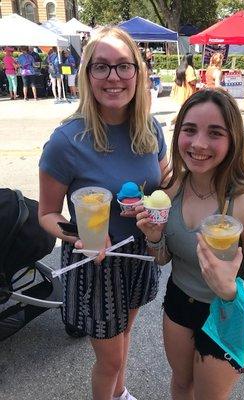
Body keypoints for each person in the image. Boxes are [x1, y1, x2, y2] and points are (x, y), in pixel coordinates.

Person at [39, 26, 168, 400]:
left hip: (137, 252)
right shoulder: (66, 142)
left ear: (137, 73)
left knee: (126, 336)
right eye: (101, 67)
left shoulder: (149, 128)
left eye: (123, 66)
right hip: (96, 262)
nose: (114, 77)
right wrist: (78, 236)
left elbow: (164, 182)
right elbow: (47, 214)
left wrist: (158, 205)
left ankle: (120, 392)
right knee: (108, 360)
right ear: (87, 74)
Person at [136, 88, 244, 400]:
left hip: (228, 313)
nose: (199, 143)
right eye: (189, 130)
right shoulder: (172, 188)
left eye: (214, 133)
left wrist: (232, 289)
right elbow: (163, 259)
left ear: (233, 140)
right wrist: (154, 237)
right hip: (179, 301)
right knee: (180, 384)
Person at [170, 53, 197, 125]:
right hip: (187, 91)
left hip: (180, 91)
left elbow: (174, 79)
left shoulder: (179, 68)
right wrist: (197, 80)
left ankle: (181, 121)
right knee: (182, 109)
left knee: (183, 108)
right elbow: (191, 80)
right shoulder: (189, 68)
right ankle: (172, 120)